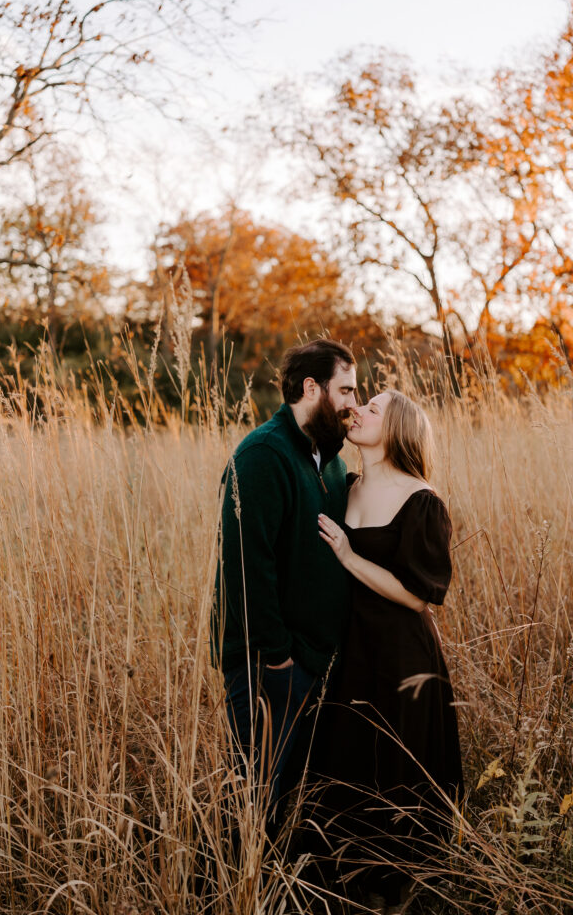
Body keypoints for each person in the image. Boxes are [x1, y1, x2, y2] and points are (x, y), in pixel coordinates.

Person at [317, 389, 463, 913]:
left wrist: (348, 556)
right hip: (352, 649)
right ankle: (354, 886)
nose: (357, 411)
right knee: (351, 760)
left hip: (402, 657)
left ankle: (400, 894)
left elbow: (420, 595)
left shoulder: (421, 499)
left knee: (398, 768)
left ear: (396, 429)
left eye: (372, 409)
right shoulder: (344, 485)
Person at [214, 338, 357, 828]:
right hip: (268, 665)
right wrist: (277, 657)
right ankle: (233, 876)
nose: (353, 403)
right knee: (252, 800)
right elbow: (245, 564)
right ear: (312, 387)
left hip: (314, 663)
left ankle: (275, 873)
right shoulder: (262, 455)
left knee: (291, 802)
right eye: (346, 390)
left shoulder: (332, 461)